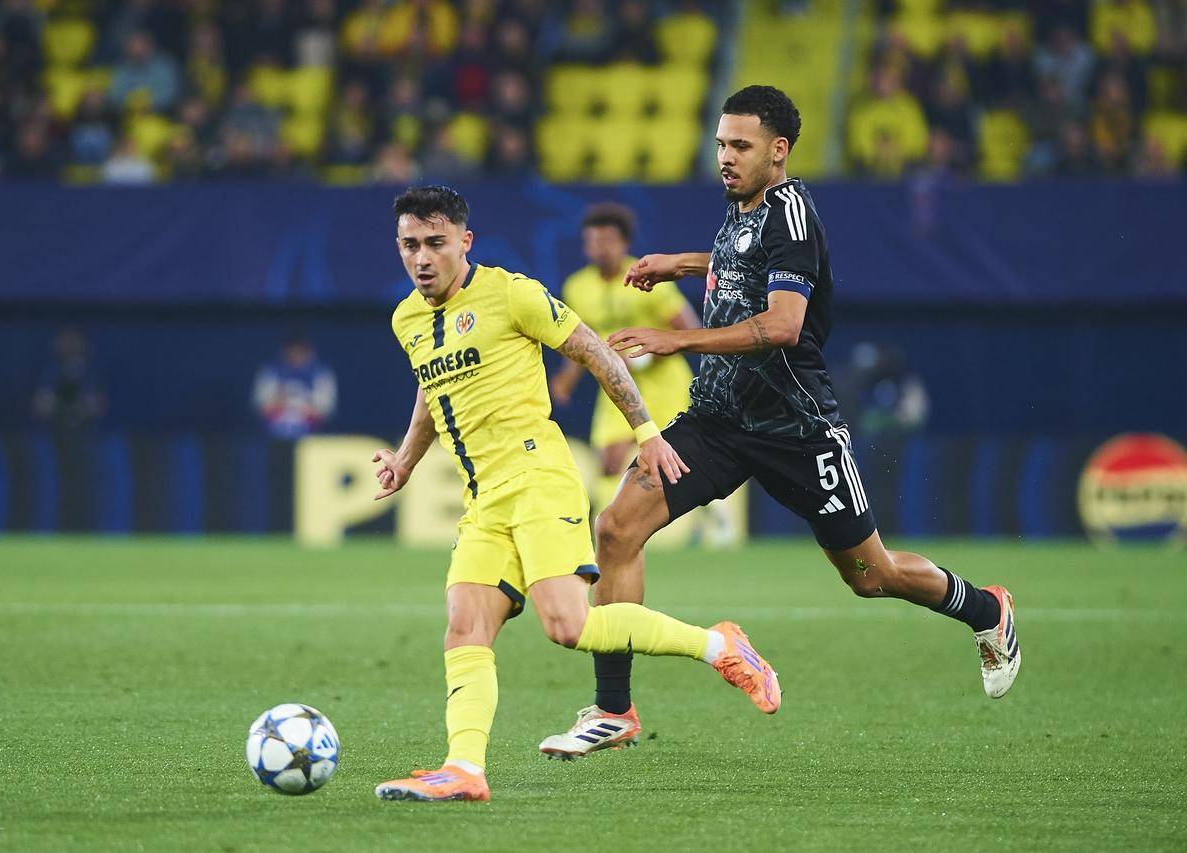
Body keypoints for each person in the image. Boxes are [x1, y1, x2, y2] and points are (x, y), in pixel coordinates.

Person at [537, 86, 1021, 760]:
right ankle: (614, 709)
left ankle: (986, 609)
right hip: (717, 419)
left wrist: (679, 339)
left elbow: (785, 324)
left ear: (779, 150)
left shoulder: (793, 215)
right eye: (720, 144)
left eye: (740, 145)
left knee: (871, 574)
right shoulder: (743, 205)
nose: (725, 157)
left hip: (796, 429)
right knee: (617, 529)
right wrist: (682, 263)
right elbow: (742, 264)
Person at [370, 185, 780, 802]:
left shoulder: (512, 294)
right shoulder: (407, 318)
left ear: (464, 241)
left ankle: (721, 646)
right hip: (483, 498)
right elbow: (433, 390)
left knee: (568, 625)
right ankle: (464, 769)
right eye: (410, 245)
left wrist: (647, 433)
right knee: (464, 628)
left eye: (436, 242)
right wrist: (404, 460)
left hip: (538, 478)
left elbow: (595, 353)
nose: (422, 258)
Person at [550, 202, 699, 504]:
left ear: (625, 243)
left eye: (608, 241)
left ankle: (714, 517)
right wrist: (567, 378)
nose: (600, 249)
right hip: (616, 382)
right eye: (593, 241)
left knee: (679, 457)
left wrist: (643, 357)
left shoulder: (649, 277)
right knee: (610, 459)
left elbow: (691, 331)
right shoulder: (577, 287)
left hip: (664, 384)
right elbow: (582, 339)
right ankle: (607, 523)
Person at [252, 337, 336, 440]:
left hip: (311, 435)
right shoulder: (271, 371)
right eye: (292, 352)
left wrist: (301, 406)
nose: (296, 356)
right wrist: (282, 401)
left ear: (309, 352)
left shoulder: (320, 373)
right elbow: (261, 406)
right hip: (274, 435)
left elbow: (324, 411)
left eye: (300, 352)